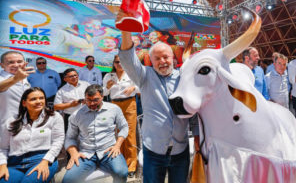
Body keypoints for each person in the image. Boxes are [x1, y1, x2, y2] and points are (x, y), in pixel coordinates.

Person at [118, 31, 199, 183]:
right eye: (157, 58)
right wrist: (126, 30)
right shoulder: (144, 76)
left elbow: (193, 111)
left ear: (173, 58)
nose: (162, 61)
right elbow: (128, 59)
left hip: (180, 152)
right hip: (153, 153)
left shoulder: (184, 79)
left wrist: (197, 138)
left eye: (166, 57)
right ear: (151, 60)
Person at [62, 84, 128, 183]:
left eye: (96, 100)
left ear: (102, 97)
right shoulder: (76, 115)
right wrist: (74, 153)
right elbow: (70, 137)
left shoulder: (114, 109)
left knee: (121, 173)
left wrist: (117, 146)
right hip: (86, 154)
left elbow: (124, 127)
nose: (92, 103)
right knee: (68, 180)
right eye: (88, 100)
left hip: (108, 151)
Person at [0, 87, 64, 183]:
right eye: (33, 99)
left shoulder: (54, 117)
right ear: (24, 103)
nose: (38, 101)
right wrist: (3, 165)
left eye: (41, 98)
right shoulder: (11, 121)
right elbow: (3, 148)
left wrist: (45, 161)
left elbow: (58, 141)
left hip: (42, 159)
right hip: (14, 163)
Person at [103, 55, 138, 177]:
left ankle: (132, 165)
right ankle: (120, 163)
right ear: (113, 63)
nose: (119, 64)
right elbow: (103, 93)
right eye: (117, 62)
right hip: (114, 105)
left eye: (122, 61)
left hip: (129, 103)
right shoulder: (108, 76)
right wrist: (107, 87)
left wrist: (134, 87)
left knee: (129, 134)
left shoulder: (131, 73)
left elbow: (141, 87)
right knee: (117, 134)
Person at [0, 51, 33, 132]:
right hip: (4, 127)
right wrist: (15, 79)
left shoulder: (24, 79)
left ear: (25, 63)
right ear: (2, 65)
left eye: (19, 62)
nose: (16, 65)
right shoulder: (2, 78)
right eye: (11, 62)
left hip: (24, 124)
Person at [54, 68, 90, 132]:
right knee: (72, 138)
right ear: (65, 79)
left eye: (75, 75)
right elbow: (56, 106)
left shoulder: (86, 85)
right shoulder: (62, 91)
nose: (74, 77)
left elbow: (94, 96)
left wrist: (88, 101)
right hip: (70, 117)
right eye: (71, 76)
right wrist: (71, 104)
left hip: (87, 114)